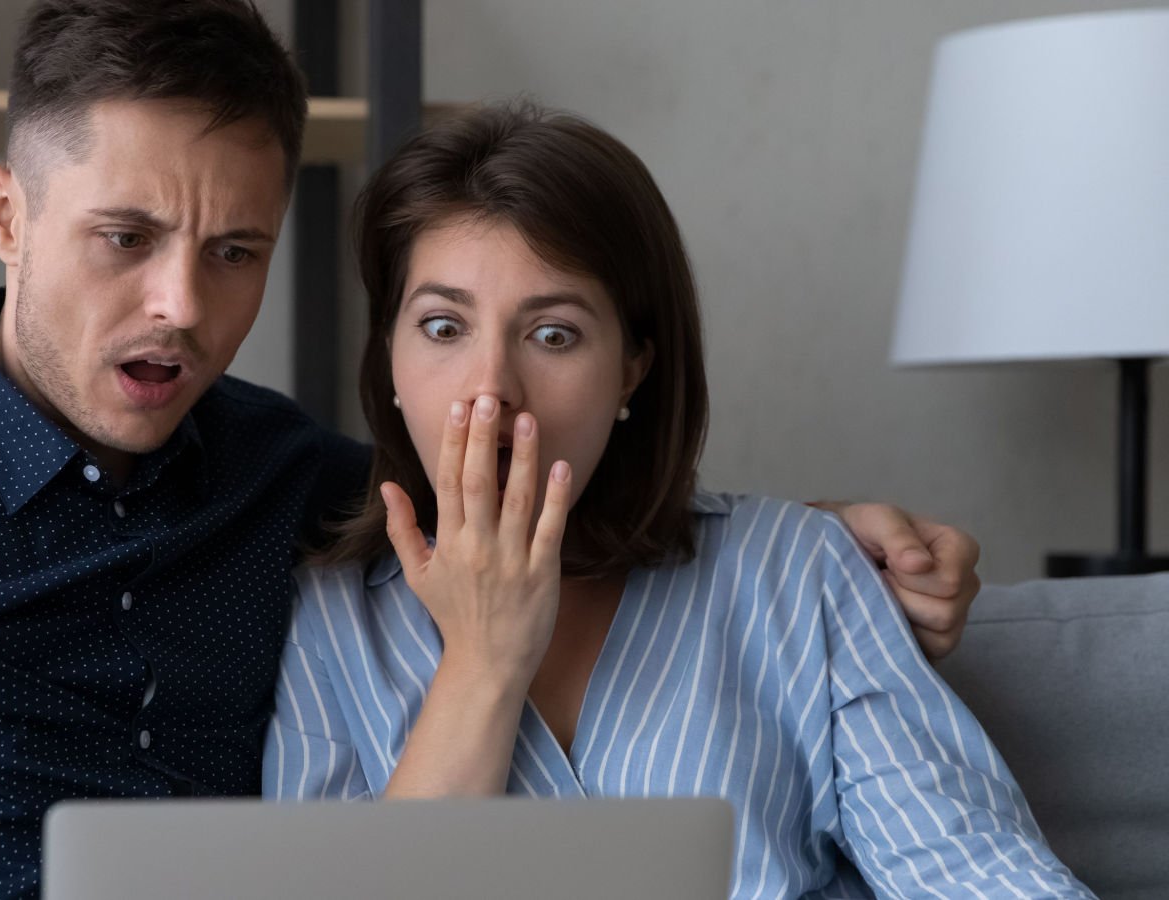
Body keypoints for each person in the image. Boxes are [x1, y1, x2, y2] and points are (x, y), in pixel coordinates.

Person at [0, 1, 977, 897]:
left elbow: (506, 481)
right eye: (124, 240)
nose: (183, 309)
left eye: (235, 252)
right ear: (7, 215)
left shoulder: (294, 485)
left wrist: (813, 535)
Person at [263, 102, 1093, 898]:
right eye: (444, 328)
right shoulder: (331, 629)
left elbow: (979, 873)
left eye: (553, 335)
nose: (492, 392)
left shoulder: (794, 573)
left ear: (633, 367)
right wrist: (483, 659)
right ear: (390, 363)